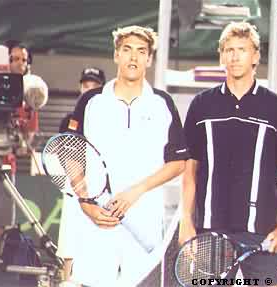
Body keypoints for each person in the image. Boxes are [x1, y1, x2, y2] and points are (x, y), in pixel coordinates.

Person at [179, 21, 277, 285]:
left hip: (262, 234)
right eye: (229, 49)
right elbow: (190, 169)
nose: (235, 56)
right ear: (221, 55)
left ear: (256, 55)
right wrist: (186, 221)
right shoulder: (202, 105)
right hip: (211, 230)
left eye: (242, 49)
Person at [69, 25, 188, 287]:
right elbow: (72, 154)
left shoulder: (163, 104)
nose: (133, 58)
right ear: (116, 55)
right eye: (127, 50)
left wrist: (137, 190)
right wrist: (85, 202)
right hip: (97, 217)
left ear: (149, 59)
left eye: (141, 51)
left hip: (145, 218)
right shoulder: (91, 101)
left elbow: (178, 162)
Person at [0, 40, 47, 257]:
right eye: (13, 59)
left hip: (6, 165)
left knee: (2, 215)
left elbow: (27, 143)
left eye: (23, 60)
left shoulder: (29, 99)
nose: (19, 64)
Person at [56, 67, 106, 282]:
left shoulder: (109, 118)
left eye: (94, 85)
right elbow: (62, 153)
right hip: (75, 190)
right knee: (70, 245)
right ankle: (67, 281)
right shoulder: (69, 119)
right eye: (86, 84)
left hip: (102, 191)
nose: (89, 89)